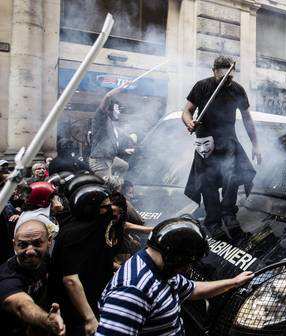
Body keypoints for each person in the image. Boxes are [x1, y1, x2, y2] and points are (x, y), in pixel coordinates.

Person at [96, 216, 253, 335]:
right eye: (186, 263)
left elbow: (192, 289)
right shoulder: (133, 291)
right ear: (174, 258)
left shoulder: (158, 266)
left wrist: (233, 282)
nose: (187, 268)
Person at [182, 56, 260, 238]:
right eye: (221, 77)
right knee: (208, 184)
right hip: (205, 142)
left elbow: (247, 118)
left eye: (229, 77)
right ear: (214, 72)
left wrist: (256, 144)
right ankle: (213, 221)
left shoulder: (238, 90)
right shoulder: (202, 86)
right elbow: (186, 111)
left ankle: (229, 215)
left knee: (231, 179)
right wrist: (189, 122)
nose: (226, 81)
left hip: (228, 142)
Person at [49, 184, 120, 335]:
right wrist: (90, 319)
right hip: (77, 310)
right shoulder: (75, 234)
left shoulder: (91, 228)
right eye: (105, 206)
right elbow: (70, 279)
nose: (110, 210)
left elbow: (89, 258)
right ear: (90, 209)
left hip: (94, 297)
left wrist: (114, 266)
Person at [0, 219, 65, 335]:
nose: (30, 251)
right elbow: (22, 305)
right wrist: (46, 320)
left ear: (49, 241)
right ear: (14, 245)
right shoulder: (7, 278)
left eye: (37, 243)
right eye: (23, 245)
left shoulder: (45, 259)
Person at [88, 80, 136, 178]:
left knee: (124, 166)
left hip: (110, 159)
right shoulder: (101, 117)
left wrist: (124, 151)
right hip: (100, 162)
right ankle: (114, 184)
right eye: (117, 109)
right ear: (109, 109)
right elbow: (108, 96)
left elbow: (110, 146)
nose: (119, 112)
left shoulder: (111, 124)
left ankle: (116, 181)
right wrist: (122, 87)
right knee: (109, 188)